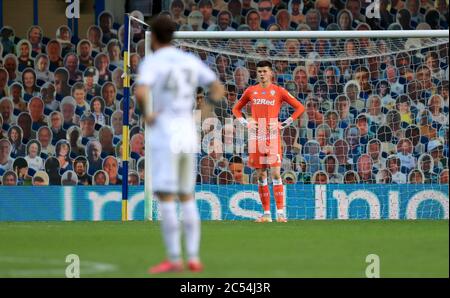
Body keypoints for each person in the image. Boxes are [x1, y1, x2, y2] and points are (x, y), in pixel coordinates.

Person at [134, 16, 225, 274]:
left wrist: (148, 114)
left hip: (165, 133)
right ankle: (194, 257)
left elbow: (141, 92)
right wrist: (206, 110)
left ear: (153, 37)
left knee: (166, 197)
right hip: (188, 133)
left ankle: (174, 258)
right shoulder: (188, 60)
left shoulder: (152, 61)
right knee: (187, 197)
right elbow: (217, 88)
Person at [232, 60, 305, 223]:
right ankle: (266, 214)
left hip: (272, 136)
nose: (262, 74)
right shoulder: (251, 91)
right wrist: (246, 122)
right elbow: (235, 109)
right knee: (260, 175)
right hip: (256, 136)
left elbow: (300, 107)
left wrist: (283, 123)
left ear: (271, 73)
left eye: (265, 71)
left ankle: (280, 213)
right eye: (259, 71)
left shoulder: (278, 91)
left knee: (275, 173)